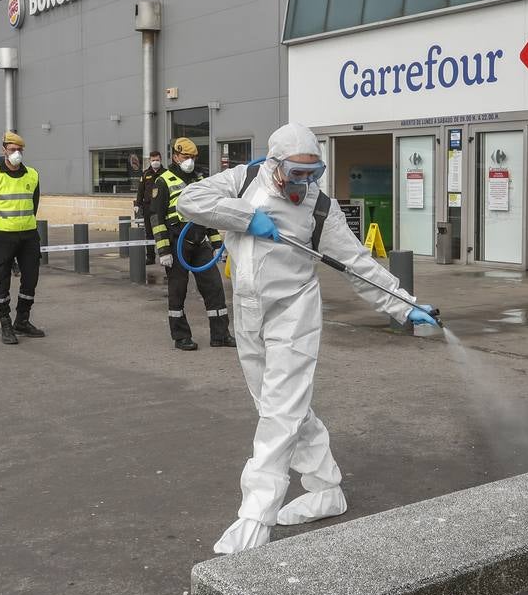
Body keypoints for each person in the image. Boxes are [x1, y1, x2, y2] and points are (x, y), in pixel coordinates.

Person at [177, 122, 438, 555]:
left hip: (294, 312)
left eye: (312, 173)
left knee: (280, 411)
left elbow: (357, 264)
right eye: (296, 174)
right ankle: (325, 488)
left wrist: (404, 304)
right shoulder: (242, 180)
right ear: (274, 165)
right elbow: (190, 200)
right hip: (249, 310)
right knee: (277, 404)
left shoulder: (320, 209)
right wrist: (245, 218)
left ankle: (255, 516)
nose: (305, 183)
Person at [149, 137, 235, 351]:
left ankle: (220, 335)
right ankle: (181, 336)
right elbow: (156, 219)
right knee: (178, 291)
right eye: (186, 157)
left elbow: (208, 215)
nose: (190, 161)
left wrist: (217, 245)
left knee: (215, 287)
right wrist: (164, 250)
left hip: (200, 242)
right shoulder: (163, 181)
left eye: (193, 157)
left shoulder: (200, 179)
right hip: (177, 243)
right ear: (175, 156)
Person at [0, 131, 45, 345]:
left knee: (31, 279)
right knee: (2, 282)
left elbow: (34, 204)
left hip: (28, 237)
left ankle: (22, 320)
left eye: (19, 150)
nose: (16, 153)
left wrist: (23, 224)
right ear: (4, 150)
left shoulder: (32, 174)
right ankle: (5, 323)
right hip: (3, 238)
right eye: (12, 149)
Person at [135, 150, 164, 265]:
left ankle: (165, 255)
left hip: (161, 207)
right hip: (148, 207)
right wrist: (138, 204)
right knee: (149, 233)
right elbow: (140, 191)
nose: (155, 162)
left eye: (157, 160)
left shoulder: (166, 173)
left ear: (160, 160)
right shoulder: (146, 174)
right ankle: (150, 257)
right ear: (149, 161)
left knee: (163, 232)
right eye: (153, 160)